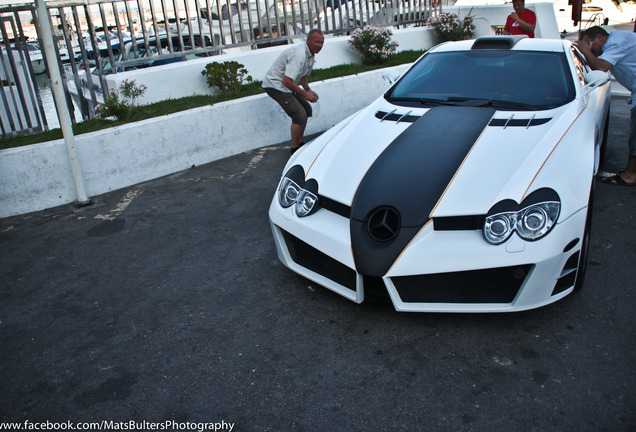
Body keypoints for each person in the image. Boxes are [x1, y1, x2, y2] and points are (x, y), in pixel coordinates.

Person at [576, 26, 636, 186]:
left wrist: (584, 50)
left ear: (601, 37)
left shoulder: (616, 42)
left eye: (590, 43)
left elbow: (601, 68)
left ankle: (630, 174)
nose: (590, 48)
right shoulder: (619, 40)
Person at [262, 29, 325, 155]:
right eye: (317, 42)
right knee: (299, 115)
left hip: (286, 85)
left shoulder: (311, 55)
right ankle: (295, 149)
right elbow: (286, 81)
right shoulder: (299, 55)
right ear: (308, 41)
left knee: (307, 110)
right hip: (275, 86)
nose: (319, 45)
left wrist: (308, 90)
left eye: (322, 43)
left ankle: (300, 142)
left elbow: (303, 77)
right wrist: (305, 94)